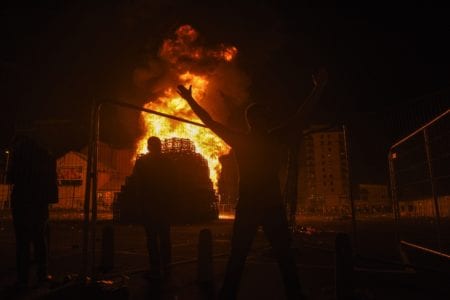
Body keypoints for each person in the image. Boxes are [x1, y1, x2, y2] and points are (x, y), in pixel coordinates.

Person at [177, 69, 328, 299]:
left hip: (250, 204)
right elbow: (300, 116)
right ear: (257, 120)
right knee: (282, 255)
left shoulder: (242, 140)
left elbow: (210, 122)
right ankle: (293, 293)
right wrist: (317, 89)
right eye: (265, 116)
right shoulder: (273, 137)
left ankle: (229, 294)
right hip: (268, 204)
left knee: (240, 255)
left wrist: (190, 101)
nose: (269, 118)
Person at [6, 133, 58, 289]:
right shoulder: (45, 155)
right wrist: (49, 199)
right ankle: (42, 274)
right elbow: (51, 179)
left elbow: (10, 178)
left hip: (21, 201)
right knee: (39, 239)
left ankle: (23, 278)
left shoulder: (18, 155)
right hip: (39, 202)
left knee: (22, 242)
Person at [132, 136, 174, 280]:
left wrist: (139, 205)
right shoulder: (168, 162)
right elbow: (175, 183)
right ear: (160, 146)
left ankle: (155, 270)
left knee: (151, 240)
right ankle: (167, 269)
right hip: (164, 206)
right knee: (165, 239)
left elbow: (137, 185)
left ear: (149, 147)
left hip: (149, 206)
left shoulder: (142, 162)